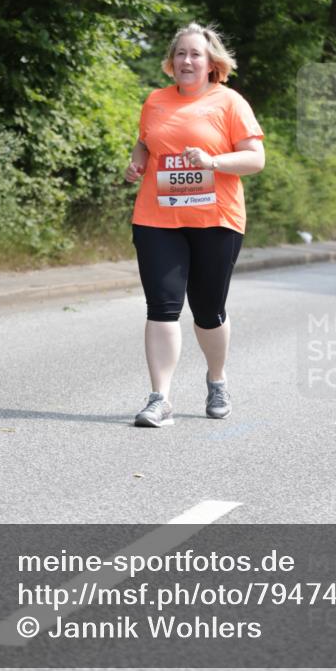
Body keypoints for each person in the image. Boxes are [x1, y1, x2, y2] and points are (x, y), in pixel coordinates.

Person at [125, 22, 265, 428]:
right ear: (172, 61)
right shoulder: (155, 101)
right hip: (157, 218)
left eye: (195, 54)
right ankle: (160, 398)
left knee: (207, 310)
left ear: (211, 63)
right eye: (181, 54)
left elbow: (255, 159)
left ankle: (217, 379)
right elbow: (146, 142)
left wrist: (212, 161)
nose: (187, 61)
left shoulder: (230, 102)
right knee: (162, 307)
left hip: (216, 219)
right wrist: (138, 162)